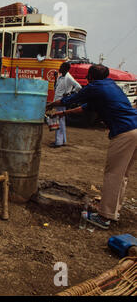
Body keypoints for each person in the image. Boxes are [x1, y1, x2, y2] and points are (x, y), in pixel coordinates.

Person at [47, 64, 137, 229]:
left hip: (124, 132)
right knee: (122, 174)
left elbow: (72, 99)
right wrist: (62, 114)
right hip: (134, 128)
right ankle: (112, 211)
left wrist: (53, 104)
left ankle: (104, 218)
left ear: (91, 76)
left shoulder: (95, 87)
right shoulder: (109, 86)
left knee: (113, 175)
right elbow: (86, 108)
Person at [50, 62, 82, 148]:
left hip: (62, 101)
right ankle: (62, 141)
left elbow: (78, 86)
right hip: (57, 100)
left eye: (61, 67)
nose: (59, 68)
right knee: (61, 121)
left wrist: (69, 94)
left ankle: (58, 142)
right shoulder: (61, 77)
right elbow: (56, 88)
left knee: (59, 121)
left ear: (66, 68)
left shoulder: (69, 77)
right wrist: (56, 78)